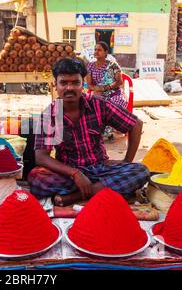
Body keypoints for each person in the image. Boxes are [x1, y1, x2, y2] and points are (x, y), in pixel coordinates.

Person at [28, 58, 149, 207]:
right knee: (36, 178)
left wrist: (126, 161)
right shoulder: (48, 115)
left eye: (75, 82)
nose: (69, 88)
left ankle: (75, 196)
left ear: (83, 84)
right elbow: (41, 157)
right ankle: (103, 188)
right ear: (55, 85)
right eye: (64, 83)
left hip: (101, 168)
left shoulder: (99, 105)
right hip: (68, 173)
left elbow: (136, 124)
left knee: (140, 171)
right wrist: (75, 173)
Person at [86, 41, 126, 139]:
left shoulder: (112, 65)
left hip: (114, 93)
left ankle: (107, 131)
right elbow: (89, 84)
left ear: (106, 52)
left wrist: (105, 88)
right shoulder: (90, 66)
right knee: (90, 105)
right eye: (95, 49)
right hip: (98, 93)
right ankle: (97, 130)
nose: (96, 52)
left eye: (99, 50)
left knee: (113, 103)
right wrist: (97, 89)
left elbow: (119, 82)